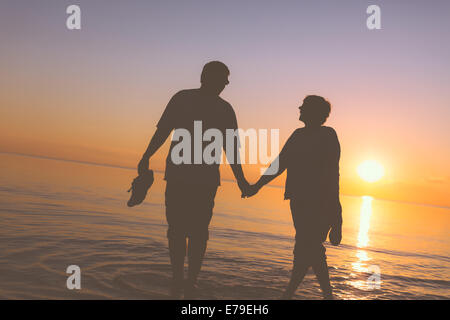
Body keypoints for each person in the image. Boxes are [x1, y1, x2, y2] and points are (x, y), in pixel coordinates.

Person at [137, 61, 249, 299]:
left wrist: (241, 181)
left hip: (196, 178)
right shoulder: (196, 102)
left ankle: (186, 281)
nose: (228, 83)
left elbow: (231, 148)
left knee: (188, 231)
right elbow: (164, 131)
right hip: (190, 177)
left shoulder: (201, 102)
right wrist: (146, 156)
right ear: (207, 77)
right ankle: (183, 281)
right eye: (224, 79)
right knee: (187, 231)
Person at [244, 95, 342, 299]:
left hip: (319, 202)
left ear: (314, 112)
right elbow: (280, 163)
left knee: (309, 247)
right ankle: (317, 295)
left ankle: (302, 294)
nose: (299, 108)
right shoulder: (298, 135)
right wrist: (258, 186)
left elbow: (333, 175)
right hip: (299, 201)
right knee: (307, 248)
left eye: (304, 106)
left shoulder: (328, 135)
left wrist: (337, 218)